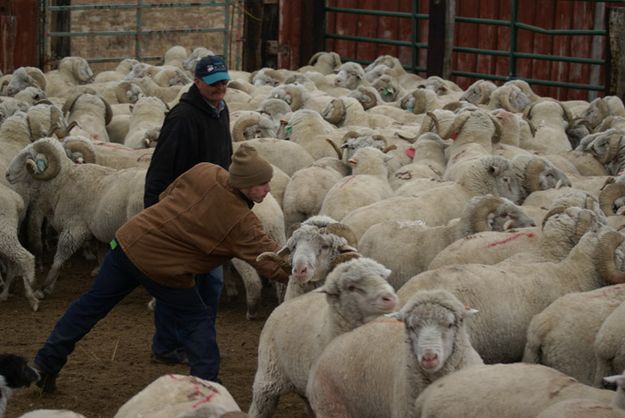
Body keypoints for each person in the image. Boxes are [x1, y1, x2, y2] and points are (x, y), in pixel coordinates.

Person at [33, 145, 289, 393]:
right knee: (196, 320)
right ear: (244, 183)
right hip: (162, 268)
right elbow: (270, 261)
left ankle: (46, 363)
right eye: (262, 183)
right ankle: (208, 385)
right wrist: (308, 273)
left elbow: (167, 195)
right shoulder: (241, 222)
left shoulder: (205, 171)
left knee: (90, 306)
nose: (268, 188)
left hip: (128, 242)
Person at [144, 54, 233, 365]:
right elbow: (161, 167)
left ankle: (195, 340)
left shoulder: (221, 111)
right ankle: (169, 345)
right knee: (182, 280)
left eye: (223, 82)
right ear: (197, 82)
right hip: (181, 212)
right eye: (212, 83)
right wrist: (155, 211)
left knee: (210, 282)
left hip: (212, 210)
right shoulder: (183, 118)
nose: (219, 88)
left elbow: (225, 157)